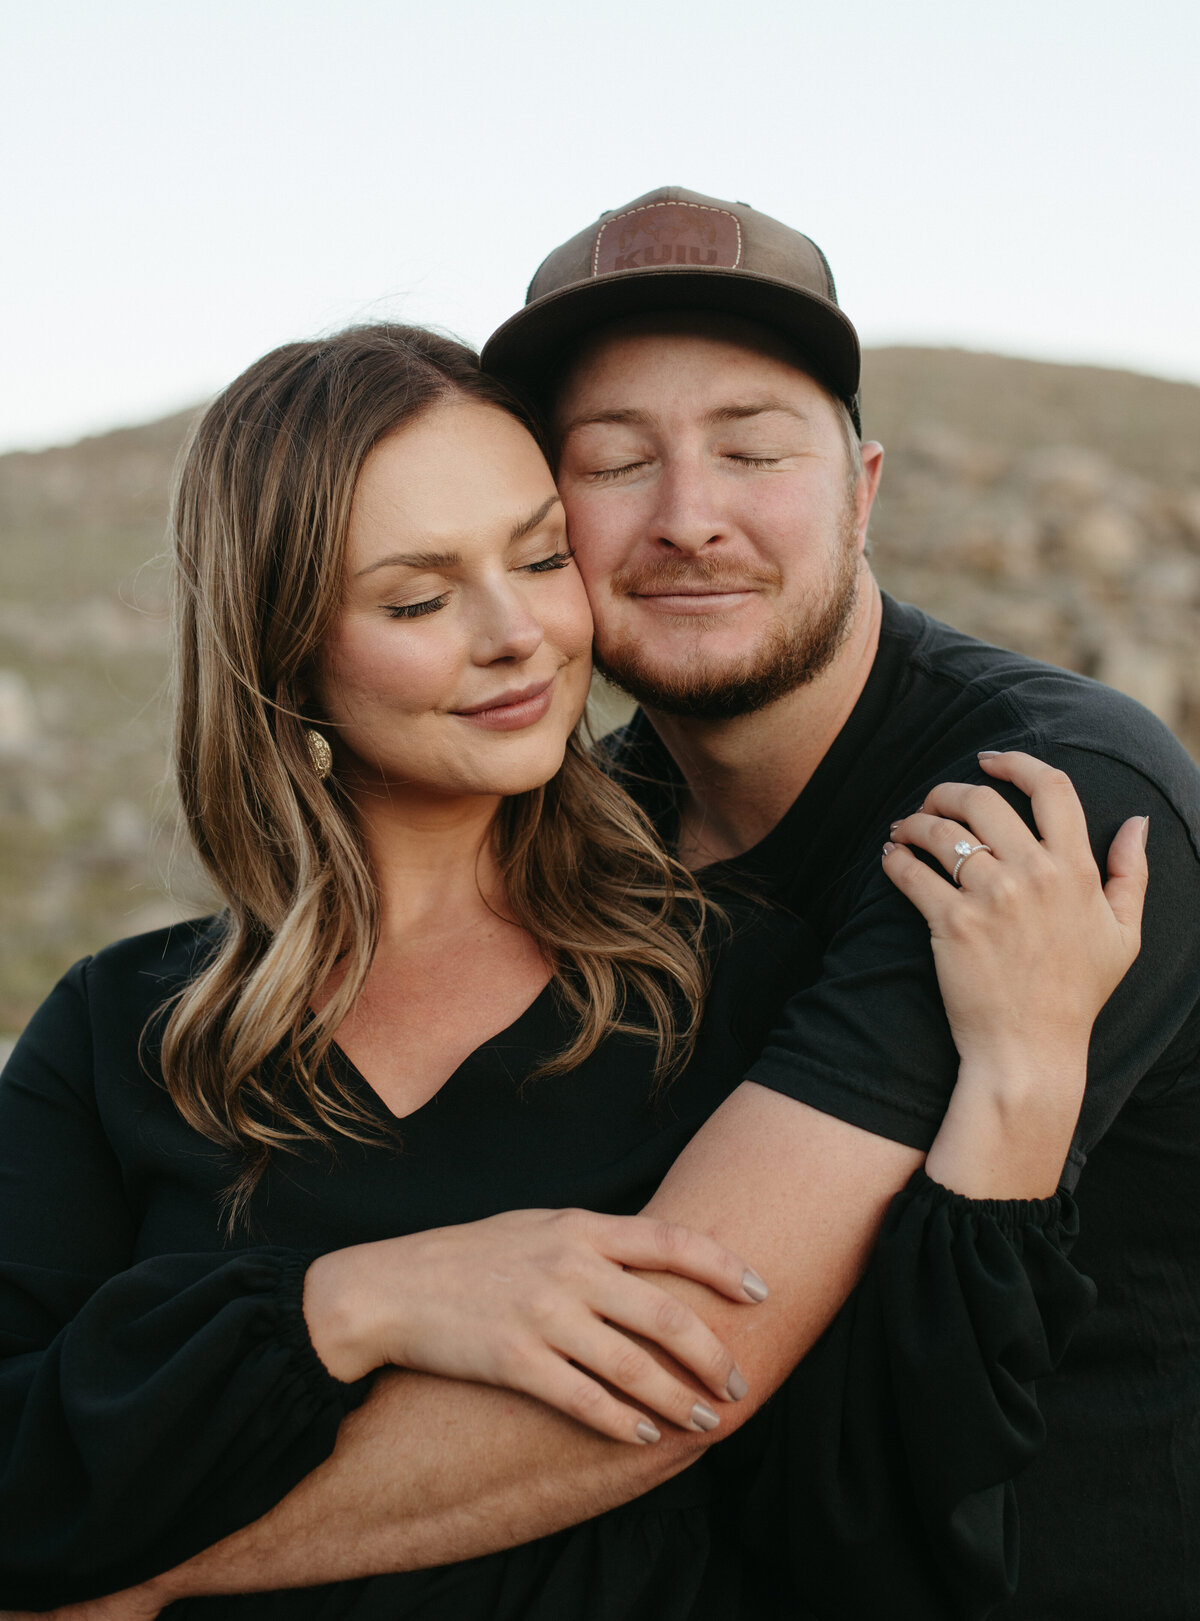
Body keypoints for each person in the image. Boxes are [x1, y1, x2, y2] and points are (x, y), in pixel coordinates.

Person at [0, 324, 1143, 1620]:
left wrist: (1022, 1080)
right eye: (419, 598)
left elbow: (862, 1522)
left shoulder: (724, 983)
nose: (520, 636)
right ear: (283, 646)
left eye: (542, 557)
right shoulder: (118, 1032)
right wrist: (348, 1305)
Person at [476, 186, 1200, 1620]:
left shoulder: (1044, 801)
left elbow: (685, 1352)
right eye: (615, 463)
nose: (690, 519)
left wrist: (129, 1559)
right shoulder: (582, 836)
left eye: (752, 450)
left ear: (864, 489)